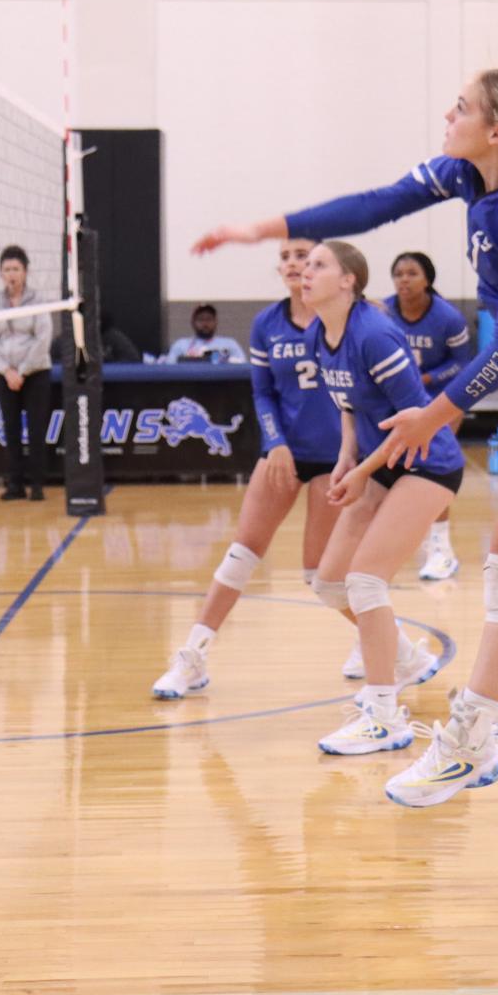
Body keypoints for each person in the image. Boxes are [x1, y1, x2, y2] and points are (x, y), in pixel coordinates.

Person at [194, 67, 498, 807]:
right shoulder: (467, 175)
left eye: (461, 107)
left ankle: (467, 737)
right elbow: (373, 205)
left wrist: (435, 414)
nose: (447, 113)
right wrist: (265, 228)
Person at [152, 238, 353, 699]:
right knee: (241, 554)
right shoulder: (266, 323)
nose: (293, 264)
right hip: (284, 452)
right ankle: (193, 657)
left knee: (320, 575)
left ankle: (383, 641)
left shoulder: (349, 319)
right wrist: (275, 441)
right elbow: (262, 393)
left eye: (302, 255)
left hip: (337, 457)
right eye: (285, 257)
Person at [305, 241, 457, 755]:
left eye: (319, 264)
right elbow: (347, 405)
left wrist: (362, 471)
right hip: (379, 462)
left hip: (426, 461)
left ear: (349, 280)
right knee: (330, 584)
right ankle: (407, 657)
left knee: (366, 581)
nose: (306, 272)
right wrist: (347, 458)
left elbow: (416, 422)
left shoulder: (376, 334)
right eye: (305, 265)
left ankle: (385, 717)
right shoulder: (318, 337)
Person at [385, 251, 470, 581]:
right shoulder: (384, 311)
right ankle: (413, 539)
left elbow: (463, 364)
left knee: (433, 463)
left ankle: (441, 550)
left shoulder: (448, 318)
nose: (404, 279)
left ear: (428, 280)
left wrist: (427, 378)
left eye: (412, 273)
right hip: (399, 402)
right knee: (397, 470)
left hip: (442, 400)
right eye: (398, 273)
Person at [0, 245, 54, 502]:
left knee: (36, 429)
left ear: (25, 272)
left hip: (35, 372)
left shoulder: (38, 301)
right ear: (0, 273)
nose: (11, 274)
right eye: (7, 269)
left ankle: (37, 485)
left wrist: (22, 371)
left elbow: (43, 338)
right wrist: (6, 370)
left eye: (16, 269)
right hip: (5, 374)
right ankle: (14, 484)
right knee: (10, 429)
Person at [167, 303, 246, 362]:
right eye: (201, 319)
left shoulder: (230, 344)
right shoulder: (181, 345)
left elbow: (243, 366)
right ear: (193, 322)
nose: (205, 324)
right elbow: (169, 369)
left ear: (216, 322)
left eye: (209, 319)